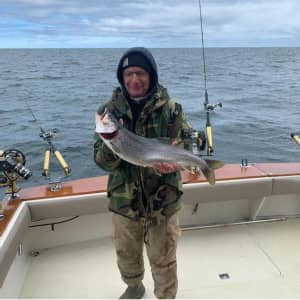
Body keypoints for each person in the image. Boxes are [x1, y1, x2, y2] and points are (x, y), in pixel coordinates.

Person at [93, 47, 192, 299]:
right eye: (128, 74)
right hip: (124, 201)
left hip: (163, 201)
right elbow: (101, 161)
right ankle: (134, 287)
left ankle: (166, 296)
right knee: (127, 254)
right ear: (121, 77)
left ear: (151, 76)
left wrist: (176, 162)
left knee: (164, 258)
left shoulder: (172, 109)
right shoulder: (108, 112)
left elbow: (186, 145)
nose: (134, 80)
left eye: (140, 73)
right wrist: (112, 144)